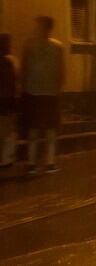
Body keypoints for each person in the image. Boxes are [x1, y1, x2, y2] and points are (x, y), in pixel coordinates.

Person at [22, 16, 65, 175]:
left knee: (34, 130)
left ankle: (32, 164)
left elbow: (24, 70)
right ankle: (50, 163)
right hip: (50, 94)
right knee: (50, 130)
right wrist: (58, 89)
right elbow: (61, 71)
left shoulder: (29, 45)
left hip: (33, 93)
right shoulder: (57, 47)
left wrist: (24, 89)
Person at [0, 34, 18, 168]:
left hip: (4, 100)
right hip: (8, 101)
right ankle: (7, 159)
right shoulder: (11, 61)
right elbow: (14, 83)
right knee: (8, 131)